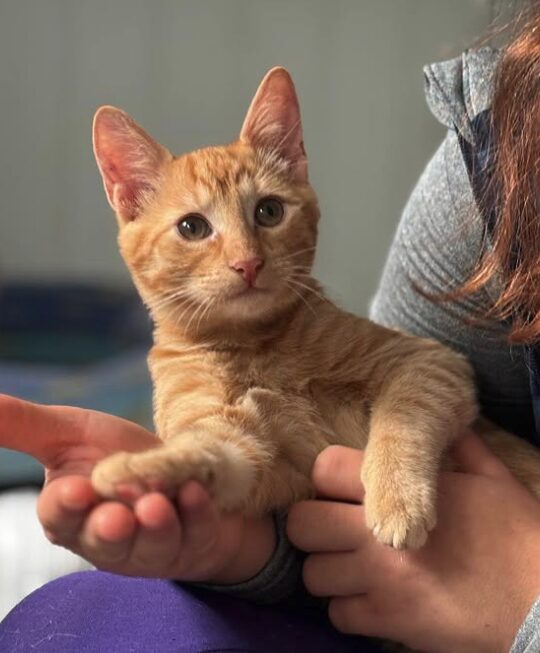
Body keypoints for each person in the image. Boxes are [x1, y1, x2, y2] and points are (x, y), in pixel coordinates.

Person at [2, 6, 540, 652]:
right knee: (73, 617)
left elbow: (429, 369)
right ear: (128, 199)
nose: (245, 255)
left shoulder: (315, 323)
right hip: (386, 604)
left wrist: (398, 451)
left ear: (296, 167)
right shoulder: (179, 368)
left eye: (267, 212)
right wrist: (192, 487)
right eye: (194, 227)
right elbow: (241, 458)